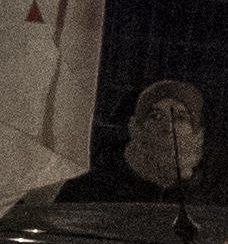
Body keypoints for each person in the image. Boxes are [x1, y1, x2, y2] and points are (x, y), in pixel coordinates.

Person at [64, 79, 216, 208]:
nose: (168, 127)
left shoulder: (209, 191)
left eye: (181, 118)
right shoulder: (96, 185)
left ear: (196, 130)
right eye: (156, 116)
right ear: (138, 125)